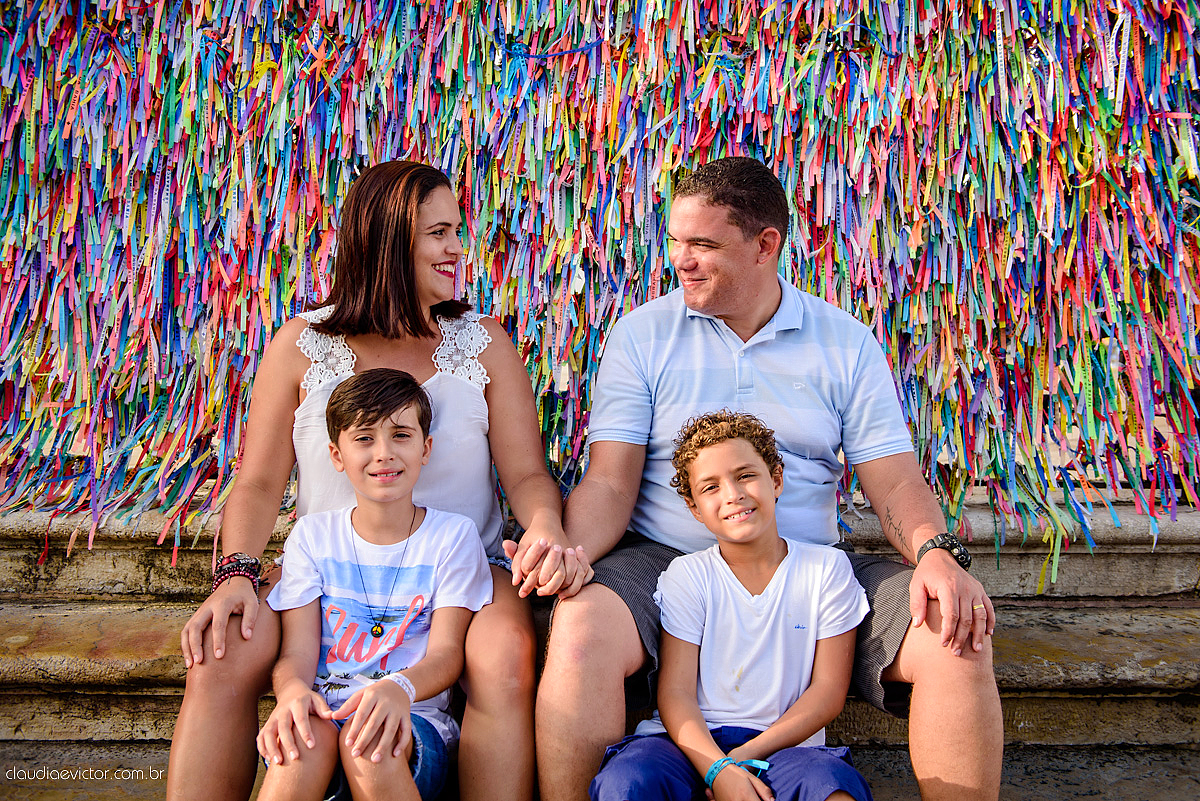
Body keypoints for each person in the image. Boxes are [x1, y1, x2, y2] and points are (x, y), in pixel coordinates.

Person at [537, 157, 1003, 801]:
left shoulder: (844, 342)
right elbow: (610, 483)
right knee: (580, 623)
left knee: (956, 627)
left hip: (807, 565)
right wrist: (571, 553)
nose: (681, 259)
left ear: (765, 246)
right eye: (675, 240)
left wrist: (934, 553)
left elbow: (894, 483)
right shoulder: (642, 335)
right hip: (663, 560)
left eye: (703, 244)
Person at [168, 160, 586, 801]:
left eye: (456, 230)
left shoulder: (485, 345)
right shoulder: (302, 345)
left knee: (504, 658)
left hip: (459, 568)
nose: (458, 249)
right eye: (439, 233)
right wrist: (236, 575)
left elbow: (528, 473)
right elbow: (254, 485)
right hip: (329, 567)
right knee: (221, 652)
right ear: (390, 242)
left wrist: (548, 527)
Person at [589, 410, 874, 801]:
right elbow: (676, 694)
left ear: (776, 479)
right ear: (694, 508)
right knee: (626, 783)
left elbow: (827, 692)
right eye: (710, 488)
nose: (732, 495)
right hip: (688, 745)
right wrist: (717, 768)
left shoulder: (826, 570)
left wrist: (740, 760)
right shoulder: (689, 575)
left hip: (784, 747)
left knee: (834, 790)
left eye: (745, 476)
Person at [257, 368, 491, 801]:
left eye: (400, 435)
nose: (384, 453)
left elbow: (446, 654)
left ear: (426, 448)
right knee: (299, 749)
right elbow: (297, 653)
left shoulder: (453, 537)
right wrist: (290, 694)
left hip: (411, 722)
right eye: (364, 438)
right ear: (336, 455)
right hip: (326, 714)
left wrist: (398, 687)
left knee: (368, 747)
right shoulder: (312, 537)